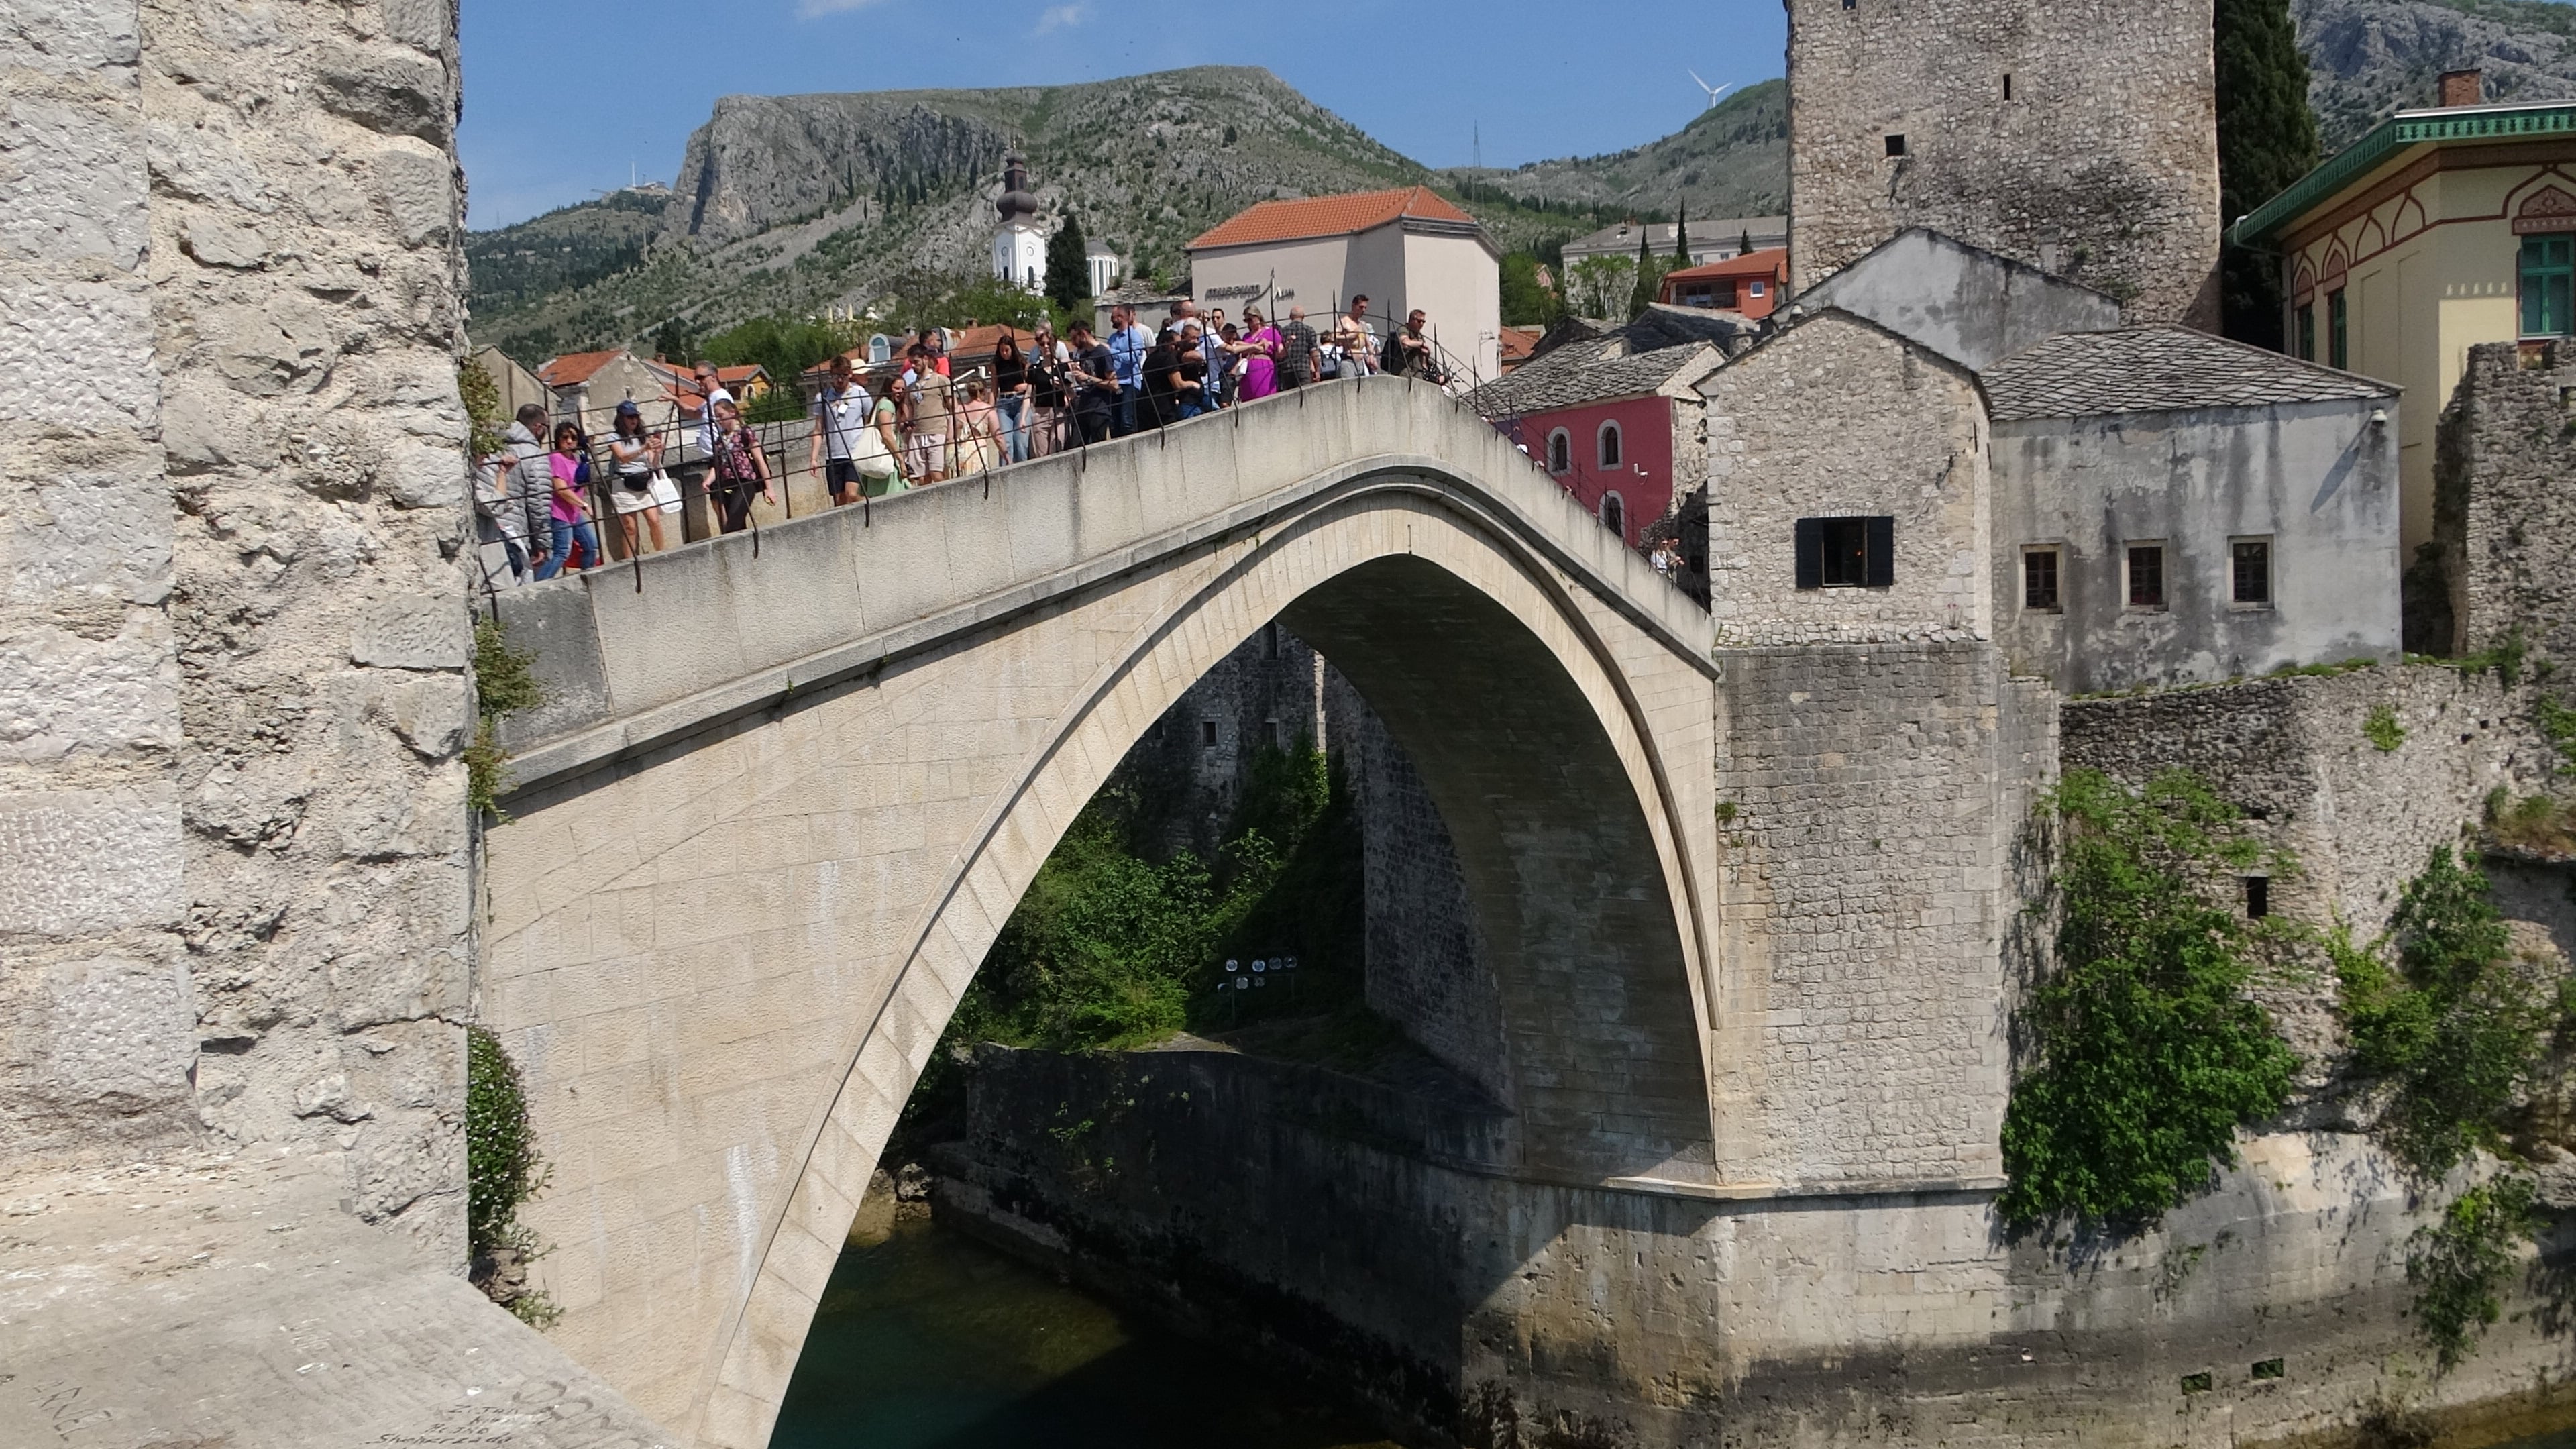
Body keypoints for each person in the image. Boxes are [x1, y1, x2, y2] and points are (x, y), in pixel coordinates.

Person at [536, 421, 600, 579]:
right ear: (558, 439)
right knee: (561, 552)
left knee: (591, 546)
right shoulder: (556, 458)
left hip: (573, 513)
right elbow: (561, 489)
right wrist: (584, 505)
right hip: (560, 513)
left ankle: (586, 578)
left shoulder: (575, 459)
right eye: (565, 437)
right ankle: (539, 584)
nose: (570, 441)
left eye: (573, 438)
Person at [807, 354, 873, 506]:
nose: (840, 380)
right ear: (831, 375)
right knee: (839, 502)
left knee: (851, 494)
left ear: (850, 374)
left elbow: (869, 424)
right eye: (836, 375)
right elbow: (818, 430)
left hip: (855, 453)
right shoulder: (822, 398)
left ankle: (874, 503)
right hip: (834, 455)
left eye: (843, 375)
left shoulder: (861, 395)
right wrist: (814, 458)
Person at [606, 401, 669, 556]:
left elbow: (652, 463)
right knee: (630, 527)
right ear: (621, 419)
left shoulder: (642, 437)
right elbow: (622, 458)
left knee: (654, 521)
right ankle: (629, 564)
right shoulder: (614, 437)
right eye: (629, 417)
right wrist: (644, 448)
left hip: (644, 484)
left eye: (635, 417)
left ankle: (662, 555)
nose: (633, 420)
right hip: (624, 486)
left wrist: (658, 451)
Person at [704, 396, 773, 533]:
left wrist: (769, 488)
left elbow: (760, 459)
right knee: (737, 525)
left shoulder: (744, 433)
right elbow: (717, 465)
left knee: (733, 522)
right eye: (716, 417)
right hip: (728, 484)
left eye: (721, 416)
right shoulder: (720, 439)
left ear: (732, 412)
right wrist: (708, 480)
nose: (718, 420)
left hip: (746, 483)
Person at [1064, 321, 1119, 446]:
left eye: (1074, 338)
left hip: (1099, 409)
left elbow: (1114, 385)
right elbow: (1084, 381)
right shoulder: (1083, 354)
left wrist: (1088, 378)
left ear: (1083, 334)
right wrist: (1078, 374)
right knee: (1076, 447)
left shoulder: (1103, 353)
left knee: (1098, 447)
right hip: (1084, 406)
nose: (1072, 343)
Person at [906, 354, 953, 484]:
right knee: (922, 479)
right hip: (918, 435)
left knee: (937, 474)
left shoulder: (940, 380)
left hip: (937, 431)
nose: (913, 366)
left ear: (925, 359)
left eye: (916, 361)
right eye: (911, 363)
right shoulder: (911, 387)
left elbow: (953, 408)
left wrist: (951, 433)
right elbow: (910, 414)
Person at [1107, 304, 1152, 437]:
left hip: (1130, 383)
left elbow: (1133, 357)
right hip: (1115, 383)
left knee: (1127, 419)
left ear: (1120, 318)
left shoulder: (1135, 337)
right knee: (1114, 421)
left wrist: (1111, 352)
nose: (1111, 320)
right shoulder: (1112, 338)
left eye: (1113, 317)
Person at [1024, 327, 1067, 458]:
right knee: (1042, 456)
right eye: (1042, 344)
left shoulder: (1063, 367)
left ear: (1054, 345)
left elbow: (1072, 394)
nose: (1046, 347)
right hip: (1040, 415)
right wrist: (1022, 418)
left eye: (1049, 344)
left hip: (1058, 413)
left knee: (1057, 450)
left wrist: (1062, 387)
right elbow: (1028, 394)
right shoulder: (1034, 369)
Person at [991, 334, 1031, 462]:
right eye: (1001, 350)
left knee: (1021, 443)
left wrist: (1023, 387)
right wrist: (991, 410)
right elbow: (994, 388)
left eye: (1007, 350)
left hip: (1021, 403)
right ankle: (1005, 472)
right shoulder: (996, 365)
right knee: (1005, 442)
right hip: (1003, 404)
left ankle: (1023, 473)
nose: (1004, 353)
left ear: (1012, 349)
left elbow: (1032, 384)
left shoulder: (1022, 362)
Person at [954, 372, 1004, 473]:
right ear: (984, 392)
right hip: (978, 453)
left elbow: (950, 437)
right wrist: (1007, 456)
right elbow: (998, 437)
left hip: (960, 455)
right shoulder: (988, 410)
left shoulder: (958, 409)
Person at [869, 376, 911, 494]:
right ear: (889, 388)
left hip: (884, 456)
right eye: (896, 388)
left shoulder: (885, 404)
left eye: (903, 389)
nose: (900, 392)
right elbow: (887, 435)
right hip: (887, 457)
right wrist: (901, 460)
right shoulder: (887, 404)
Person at [690, 361, 734, 459]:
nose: (697, 381)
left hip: (719, 456)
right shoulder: (711, 398)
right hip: (713, 456)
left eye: (701, 378)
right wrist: (675, 400)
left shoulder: (721, 397)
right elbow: (694, 413)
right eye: (696, 378)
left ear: (714, 377)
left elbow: (731, 424)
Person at [1140, 326, 1181, 429]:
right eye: (1176, 345)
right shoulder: (1169, 357)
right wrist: (1194, 385)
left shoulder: (1150, 358)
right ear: (1168, 343)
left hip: (1146, 408)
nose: (1178, 349)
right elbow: (1178, 385)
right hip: (1164, 409)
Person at [1236, 309, 1281, 401]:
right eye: (1246, 321)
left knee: (1265, 395)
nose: (1248, 323)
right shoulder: (1246, 336)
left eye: (1250, 319)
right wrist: (1257, 346)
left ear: (1258, 317)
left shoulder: (1270, 331)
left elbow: (1279, 350)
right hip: (1248, 369)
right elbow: (1238, 347)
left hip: (1264, 367)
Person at [1383, 308, 1439, 380]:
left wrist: (1426, 353)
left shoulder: (1419, 336)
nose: (1421, 324)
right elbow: (1405, 343)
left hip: (1417, 373)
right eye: (1419, 321)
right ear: (1412, 320)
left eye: (1423, 322)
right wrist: (1421, 344)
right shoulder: (1403, 329)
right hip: (1403, 372)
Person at [1332, 296, 1378, 376]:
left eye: (1365, 308)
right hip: (1349, 360)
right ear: (1353, 306)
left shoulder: (1363, 325)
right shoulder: (1344, 321)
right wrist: (1350, 336)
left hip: (1361, 362)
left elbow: (1368, 345)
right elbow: (1333, 337)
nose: (1363, 310)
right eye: (1361, 307)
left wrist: (1371, 356)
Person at [1276, 305, 1320, 390]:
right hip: (1303, 368)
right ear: (1303, 317)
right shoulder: (1309, 330)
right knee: (1304, 396)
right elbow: (1314, 352)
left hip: (1286, 370)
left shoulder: (1283, 331)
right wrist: (1317, 370)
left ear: (1290, 317)